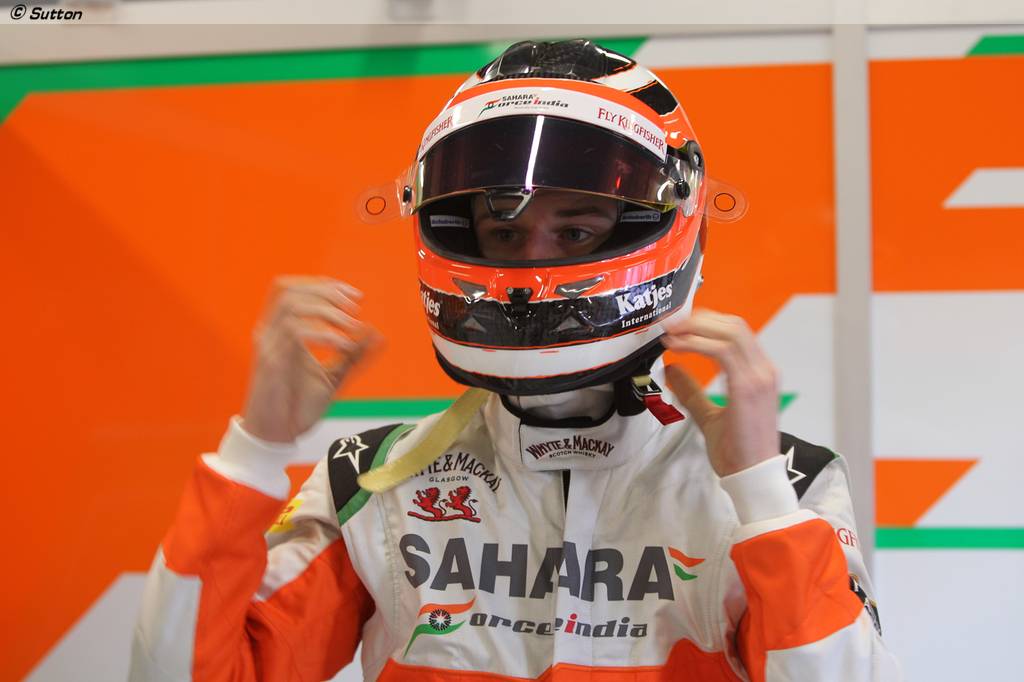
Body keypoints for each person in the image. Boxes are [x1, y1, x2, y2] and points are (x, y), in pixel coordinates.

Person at [130, 40, 902, 681]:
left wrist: (761, 501)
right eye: (502, 232)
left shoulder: (787, 484)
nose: (531, 264)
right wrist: (255, 450)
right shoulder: (372, 484)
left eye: (575, 231)